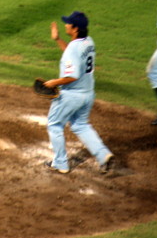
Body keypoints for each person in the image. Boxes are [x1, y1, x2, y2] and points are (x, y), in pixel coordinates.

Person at [43, 11, 114, 174]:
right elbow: (73, 54)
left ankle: (60, 163)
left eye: (68, 23)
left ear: (75, 29)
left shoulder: (73, 49)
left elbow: (72, 76)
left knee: (54, 125)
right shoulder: (88, 42)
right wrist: (58, 39)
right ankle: (103, 155)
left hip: (71, 95)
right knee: (81, 125)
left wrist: (54, 82)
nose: (66, 25)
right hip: (88, 94)